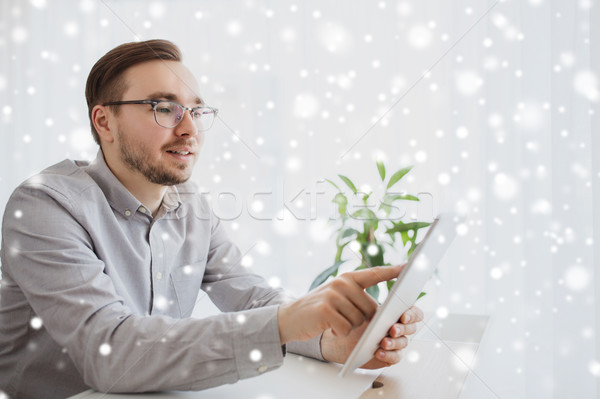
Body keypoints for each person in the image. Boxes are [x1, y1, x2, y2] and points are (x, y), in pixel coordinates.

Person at [0, 39, 423, 399]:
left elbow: (251, 296)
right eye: (164, 108)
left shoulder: (188, 203)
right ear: (104, 121)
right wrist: (284, 324)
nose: (190, 130)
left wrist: (331, 341)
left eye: (196, 112)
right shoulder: (44, 206)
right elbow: (111, 354)